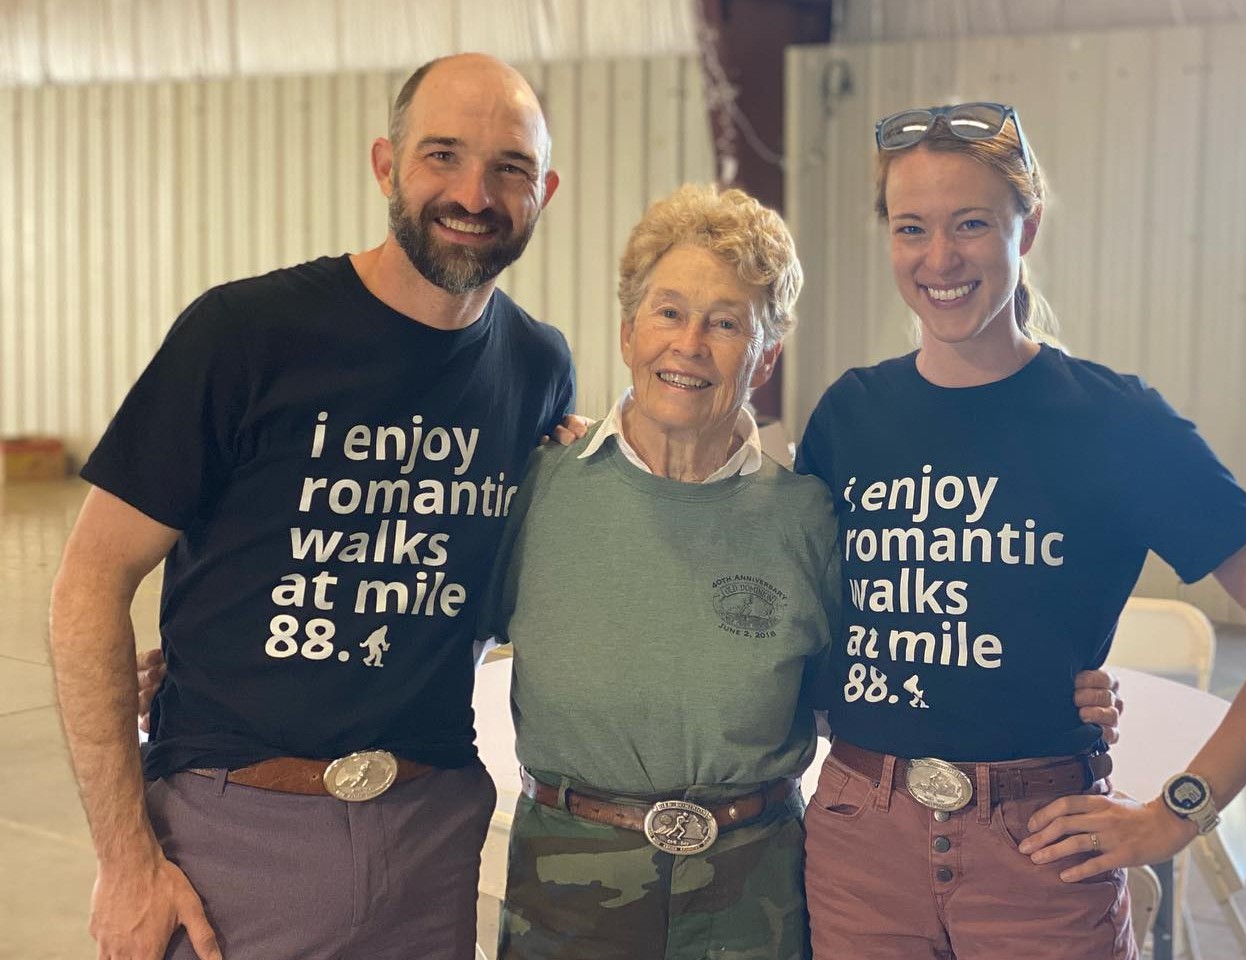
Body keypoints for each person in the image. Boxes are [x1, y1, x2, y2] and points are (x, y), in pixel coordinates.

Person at [481, 183, 1123, 960]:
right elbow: (442, 644)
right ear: (627, 332)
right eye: (669, 312)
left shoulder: (808, 517)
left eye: (727, 323)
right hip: (566, 882)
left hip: (753, 891)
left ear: (766, 355)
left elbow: (885, 668)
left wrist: (1052, 686)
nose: (689, 344)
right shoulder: (539, 490)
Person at [49, 53, 573, 960]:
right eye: (441, 155)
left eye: (509, 168)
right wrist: (126, 861)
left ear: (545, 191)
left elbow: (478, 585)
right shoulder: (246, 335)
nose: (474, 194)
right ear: (385, 165)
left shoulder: (535, 366)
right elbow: (90, 581)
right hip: (228, 839)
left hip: (430, 838)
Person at [796, 102, 1246, 959]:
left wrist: (1179, 813)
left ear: (1030, 226)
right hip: (858, 843)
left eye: (971, 224)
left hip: (1040, 851)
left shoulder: (1113, 420)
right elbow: (806, 611)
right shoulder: (850, 417)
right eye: (912, 228)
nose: (939, 259)